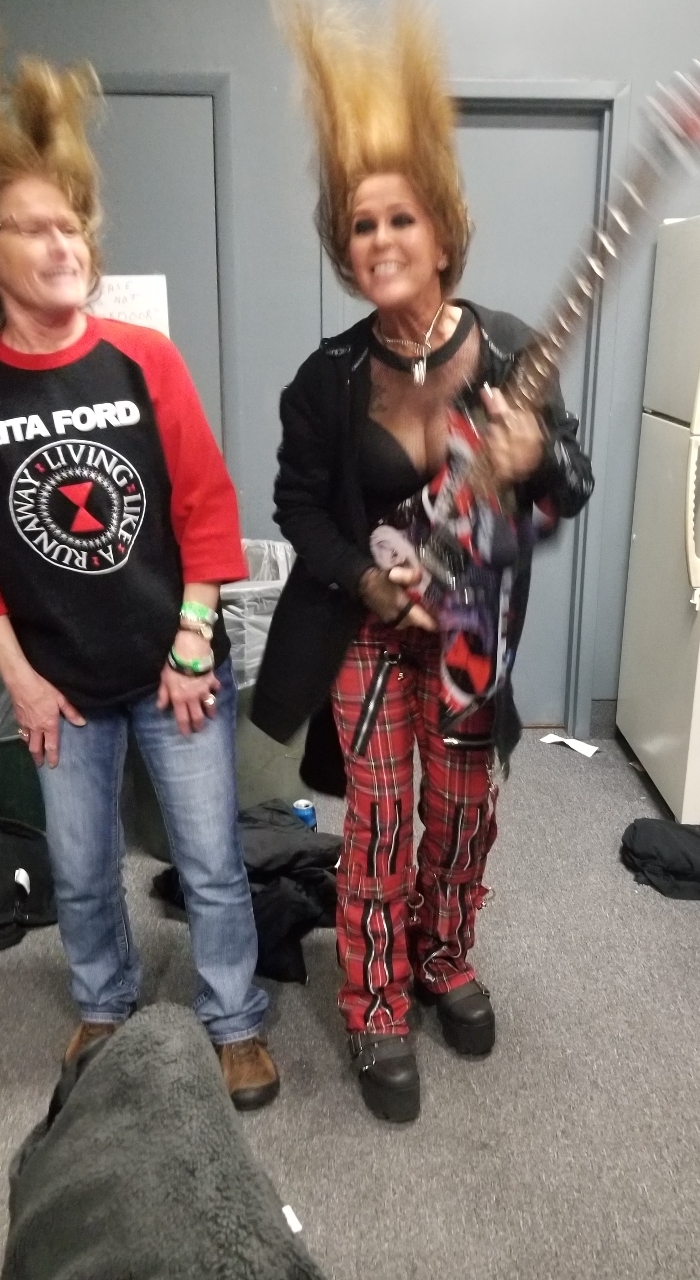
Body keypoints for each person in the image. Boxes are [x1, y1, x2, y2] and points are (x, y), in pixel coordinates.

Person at [253, 2, 593, 1123]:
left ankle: (442, 953)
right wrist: (365, 578)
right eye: (362, 225)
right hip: (363, 629)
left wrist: (533, 456)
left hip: (470, 636)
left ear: (443, 234)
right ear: (345, 249)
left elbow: (570, 485)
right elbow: (299, 507)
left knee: (460, 815)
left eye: (402, 217)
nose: (383, 238)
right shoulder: (325, 380)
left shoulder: (509, 354)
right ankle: (375, 1001)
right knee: (381, 821)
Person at [0, 55, 279, 1110]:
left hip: (175, 669)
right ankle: (105, 1003)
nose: (64, 243)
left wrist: (195, 638)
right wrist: (21, 681)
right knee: (80, 869)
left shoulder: (141, 358)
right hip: (58, 686)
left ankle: (234, 1020)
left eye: (71, 224)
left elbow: (206, 507)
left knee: (209, 858)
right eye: (33, 227)